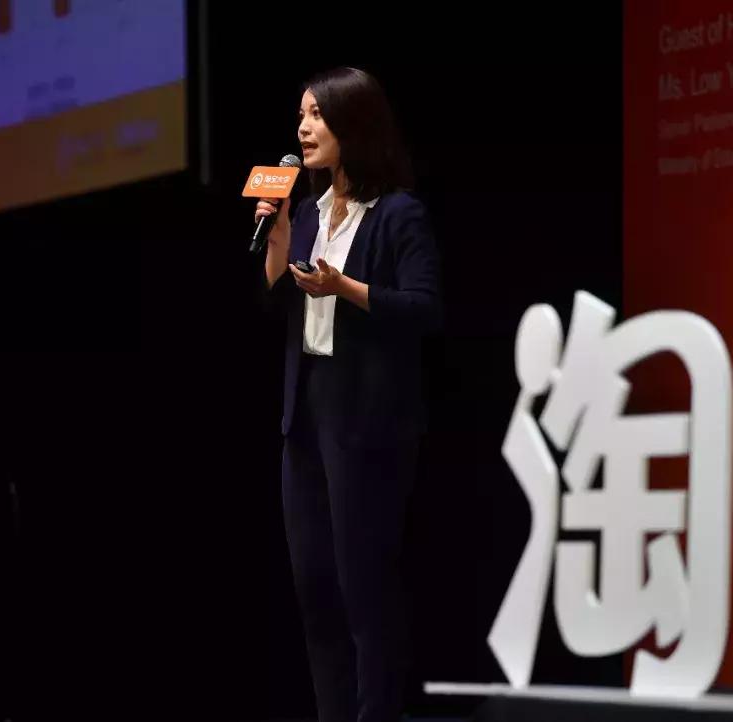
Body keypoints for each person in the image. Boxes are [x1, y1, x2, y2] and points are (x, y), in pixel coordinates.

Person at [255, 66, 441, 722]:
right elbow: (282, 307)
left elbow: (423, 309)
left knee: (365, 591)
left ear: (354, 125)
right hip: (304, 415)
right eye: (300, 114)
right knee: (316, 593)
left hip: (366, 420)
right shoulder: (304, 210)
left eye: (318, 115)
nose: (303, 127)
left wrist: (347, 289)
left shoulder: (396, 214)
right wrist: (276, 239)